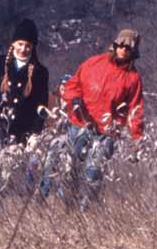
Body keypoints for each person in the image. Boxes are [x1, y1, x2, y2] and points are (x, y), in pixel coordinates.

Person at [60, 29, 145, 207]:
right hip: (81, 123)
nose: (122, 50)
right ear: (114, 45)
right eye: (120, 45)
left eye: (127, 48)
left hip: (107, 132)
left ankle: (86, 210)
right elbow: (72, 85)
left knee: (94, 172)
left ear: (133, 52)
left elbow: (135, 110)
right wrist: (74, 99)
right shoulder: (93, 63)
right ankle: (65, 207)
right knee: (70, 168)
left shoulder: (133, 79)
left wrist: (137, 140)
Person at [0, 19, 50, 200]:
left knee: (5, 180)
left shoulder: (39, 72)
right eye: (20, 44)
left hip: (18, 135)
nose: (23, 49)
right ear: (13, 43)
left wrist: (36, 133)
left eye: (28, 45)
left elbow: (41, 106)